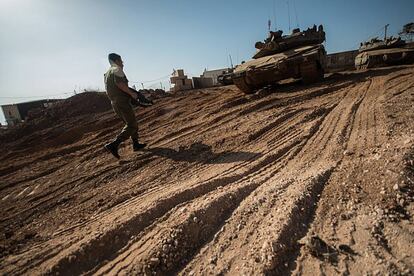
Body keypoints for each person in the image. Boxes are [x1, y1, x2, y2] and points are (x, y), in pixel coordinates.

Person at [104, 53, 146, 159]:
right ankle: (114, 145)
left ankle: (136, 144)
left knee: (131, 123)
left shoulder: (108, 72)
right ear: (117, 61)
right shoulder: (117, 69)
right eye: (121, 60)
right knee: (132, 125)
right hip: (121, 102)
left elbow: (115, 87)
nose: (122, 63)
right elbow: (120, 85)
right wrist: (132, 95)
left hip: (115, 102)